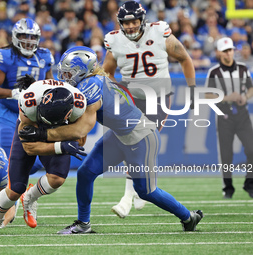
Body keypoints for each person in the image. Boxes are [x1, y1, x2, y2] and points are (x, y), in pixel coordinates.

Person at [18, 46, 203, 233]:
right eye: (63, 72)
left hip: (141, 138)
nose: (64, 77)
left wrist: (42, 134)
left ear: (83, 72)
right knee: (85, 174)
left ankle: (188, 217)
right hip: (119, 136)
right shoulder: (89, 82)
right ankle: (83, 224)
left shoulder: (91, 85)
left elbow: (83, 128)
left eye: (69, 73)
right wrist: (37, 87)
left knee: (146, 191)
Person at [102, 1, 196, 218]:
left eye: (134, 21)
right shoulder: (114, 40)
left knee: (137, 144)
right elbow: (106, 72)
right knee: (132, 144)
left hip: (158, 100)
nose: (131, 26)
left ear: (142, 20)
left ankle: (127, 198)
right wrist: (118, 91)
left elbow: (184, 58)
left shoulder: (159, 32)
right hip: (132, 100)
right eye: (126, 22)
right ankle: (135, 191)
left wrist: (191, 90)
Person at [0, 76, 87, 236]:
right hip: (34, 125)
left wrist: (64, 136)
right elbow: (29, 148)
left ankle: (30, 197)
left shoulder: (79, 103)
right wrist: (60, 145)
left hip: (60, 129)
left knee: (57, 178)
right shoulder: (30, 102)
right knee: (15, 189)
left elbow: (80, 137)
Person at [0, 18, 53, 170]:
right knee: (9, 164)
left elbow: (51, 85)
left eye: (32, 37)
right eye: (24, 36)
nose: (28, 41)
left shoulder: (44, 56)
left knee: (35, 165)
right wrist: (13, 92)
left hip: (34, 115)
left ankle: (20, 190)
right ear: (15, 37)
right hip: (8, 113)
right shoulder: (6, 56)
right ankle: (2, 193)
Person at [205, 37, 253, 199]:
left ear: (234, 50)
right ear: (219, 53)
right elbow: (208, 95)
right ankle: (228, 187)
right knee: (226, 154)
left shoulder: (242, 68)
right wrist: (227, 97)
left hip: (242, 114)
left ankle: (249, 182)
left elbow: (250, 88)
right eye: (224, 51)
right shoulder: (214, 72)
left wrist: (245, 97)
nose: (228, 54)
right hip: (224, 115)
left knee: (252, 149)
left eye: (230, 50)